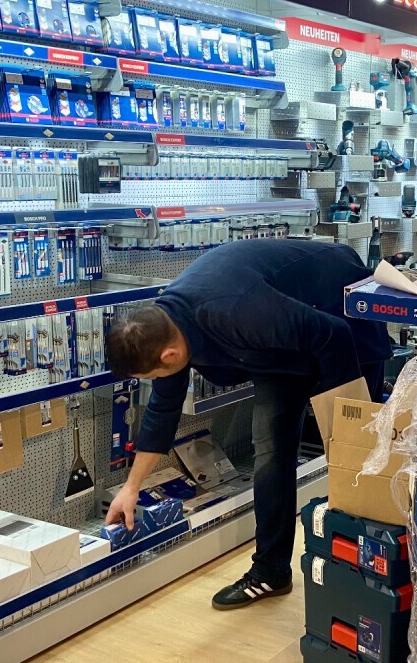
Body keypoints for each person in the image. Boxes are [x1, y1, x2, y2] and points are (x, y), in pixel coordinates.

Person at [103, 239, 391, 610]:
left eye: (153, 373)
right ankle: (271, 572)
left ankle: (367, 571)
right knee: (270, 456)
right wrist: (131, 488)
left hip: (341, 321)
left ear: (169, 355)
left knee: (357, 461)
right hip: (280, 350)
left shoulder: (237, 312)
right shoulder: (167, 327)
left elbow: (332, 335)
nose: (156, 379)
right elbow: (164, 408)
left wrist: (341, 430)